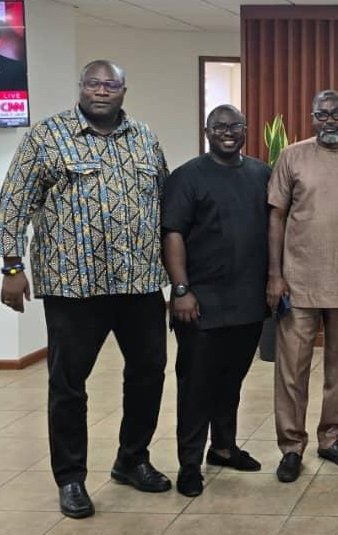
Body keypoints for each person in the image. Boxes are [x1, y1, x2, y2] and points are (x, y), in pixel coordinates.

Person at [0, 60, 170, 519]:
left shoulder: (145, 138)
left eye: (110, 84)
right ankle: (71, 478)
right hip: (73, 288)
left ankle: (132, 459)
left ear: (123, 90)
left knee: (149, 373)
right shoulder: (47, 136)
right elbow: (13, 204)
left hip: (139, 283)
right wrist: (12, 268)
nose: (101, 91)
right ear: (82, 87)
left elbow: (165, 200)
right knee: (69, 385)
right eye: (93, 83)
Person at [267, 90, 338, 483]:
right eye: (322, 114)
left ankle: (331, 440)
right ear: (312, 117)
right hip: (298, 283)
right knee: (292, 370)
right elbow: (276, 217)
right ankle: (291, 448)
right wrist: (275, 275)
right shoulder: (292, 156)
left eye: (337, 114)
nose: (330, 121)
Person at [161, 105, 270, 497]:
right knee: (196, 387)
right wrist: (181, 290)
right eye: (219, 126)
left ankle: (223, 448)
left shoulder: (261, 174)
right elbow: (172, 234)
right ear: (207, 131)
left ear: (246, 129)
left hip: (247, 303)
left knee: (231, 382)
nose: (228, 132)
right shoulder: (187, 177)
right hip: (200, 304)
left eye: (234, 126)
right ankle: (189, 463)